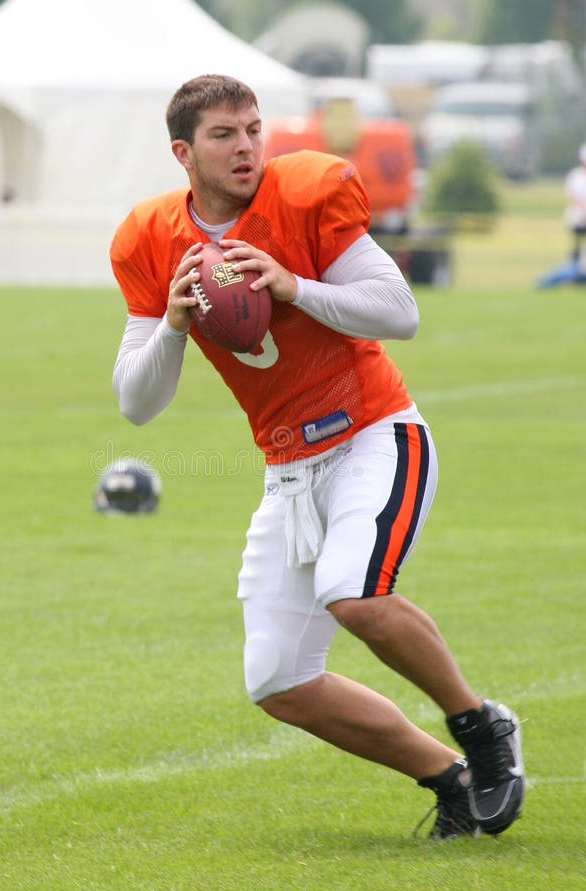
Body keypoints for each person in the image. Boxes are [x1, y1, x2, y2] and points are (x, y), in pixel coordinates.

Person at [110, 74, 524, 840]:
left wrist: (293, 286)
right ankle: (451, 779)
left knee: (355, 592)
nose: (246, 148)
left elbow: (400, 313)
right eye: (223, 135)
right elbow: (136, 404)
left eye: (253, 129)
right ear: (183, 151)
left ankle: (480, 725)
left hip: (374, 430)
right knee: (277, 680)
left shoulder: (303, 193)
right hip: (288, 468)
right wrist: (170, 326)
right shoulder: (151, 236)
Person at [565, 143, 586, 271]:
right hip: (577, 216)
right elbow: (571, 195)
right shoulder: (575, 175)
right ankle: (574, 270)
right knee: (577, 245)